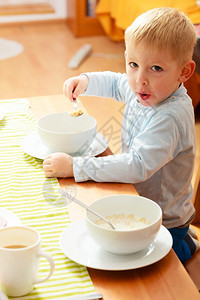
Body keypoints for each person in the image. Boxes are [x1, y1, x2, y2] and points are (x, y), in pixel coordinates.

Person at [43, 7, 199, 262]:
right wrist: (86, 80)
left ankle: (186, 245)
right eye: (133, 64)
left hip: (163, 220)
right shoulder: (145, 89)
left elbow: (137, 166)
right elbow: (117, 83)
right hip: (136, 195)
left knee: (150, 266)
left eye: (156, 68)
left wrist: (76, 166)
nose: (140, 80)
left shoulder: (169, 116)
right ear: (127, 57)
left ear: (184, 72)